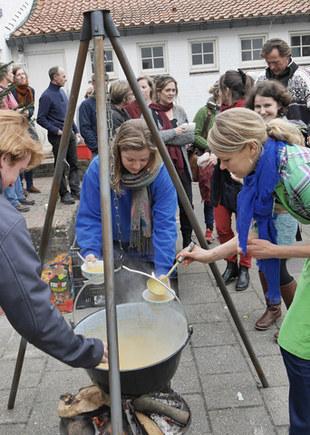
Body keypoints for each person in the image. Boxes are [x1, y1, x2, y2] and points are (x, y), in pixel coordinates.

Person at [178, 108, 310, 435]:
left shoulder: (296, 176)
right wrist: (209, 255)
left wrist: (278, 251)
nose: (221, 166)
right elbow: (250, 234)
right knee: (295, 343)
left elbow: (263, 244)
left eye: (225, 158)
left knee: (298, 347)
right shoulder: (264, 171)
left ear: (250, 147)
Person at [0, 109, 107, 368]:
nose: (15, 182)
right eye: (19, 170)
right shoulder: (5, 224)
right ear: (4, 159)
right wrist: (86, 351)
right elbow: (33, 313)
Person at [76, 119, 178, 300]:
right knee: (121, 303)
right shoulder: (100, 169)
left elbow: (165, 224)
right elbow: (90, 216)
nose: (137, 166)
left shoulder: (160, 172)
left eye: (143, 159)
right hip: (114, 246)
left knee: (157, 304)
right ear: (118, 151)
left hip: (150, 246)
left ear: (152, 155)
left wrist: (163, 270)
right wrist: (90, 251)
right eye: (130, 159)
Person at [246, 80, 304, 331]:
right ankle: (273, 308)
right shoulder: (252, 131)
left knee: (278, 263)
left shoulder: (290, 131)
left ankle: (297, 319)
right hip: (261, 210)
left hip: (282, 211)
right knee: (262, 259)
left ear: (279, 105)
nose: (262, 110)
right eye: (257, 106)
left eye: (267, 105)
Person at [211, 70, 254, 291]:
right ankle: (231, 264)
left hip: (240, 177)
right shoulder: (221, 110)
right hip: (221, 176)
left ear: (226, 90)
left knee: (244, 226)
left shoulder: (243, 111)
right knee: (222, 225)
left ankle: (245, 267)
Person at [150, 75, 194, 248]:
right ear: (159, 91)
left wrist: (167, 137)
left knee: (187, 206)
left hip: (181, 165)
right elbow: (152, 138)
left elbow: (189, 136)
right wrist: (175, 132)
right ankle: (164, 245)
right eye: (167, 90)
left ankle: (188, 242)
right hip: (160, 166)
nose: (171, 94)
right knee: (163, 207)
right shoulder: (149, 112)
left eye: (173, 90)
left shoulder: (179, 111)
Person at [37, 66, 81, 205]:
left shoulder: (62, 92)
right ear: (55, 77)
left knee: (74, 163)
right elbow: (41, 118)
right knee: (60, 165)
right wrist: (56, 131)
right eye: (63, 76)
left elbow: (68, 114)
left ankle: (75, 190)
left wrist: (76, 130)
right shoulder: (46, 96)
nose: (65, 78)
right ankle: (64, 193)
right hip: (58, 136)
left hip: (70, 134)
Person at [257, 38, 310, 131]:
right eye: (268, 63)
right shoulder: (261, 79)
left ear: (287, 56)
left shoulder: (303, 77)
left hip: (300, 139)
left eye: (275, 62)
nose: (272, 67)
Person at [0, 62, 33, 213]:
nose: (12, 75)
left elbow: (14, 108)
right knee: (10, 164)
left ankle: (19, 196)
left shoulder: (7, 90)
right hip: (6, 132)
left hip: (14, 131)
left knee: (17, 164)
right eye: (10, 73)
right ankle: (13, 201)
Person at [192, 82, 219, 243]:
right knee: (209, 196)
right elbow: (194, 134)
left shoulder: (227, 110)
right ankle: (209, 228)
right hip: (208, 159)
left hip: (225, 158)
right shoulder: (205, 112)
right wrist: (211, 147)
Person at [12, 65, 41, 194]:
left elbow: (32, 107)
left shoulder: (31, 90)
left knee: (30, 152)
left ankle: (30, 184)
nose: (22, 76)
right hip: (17, 125)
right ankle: (20, 185)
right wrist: (19, 113)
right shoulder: (11, 92)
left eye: (23, 74)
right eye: (18, 74)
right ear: (14, 78)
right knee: (19, 154)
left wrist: (28, 113)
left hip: (28, 122)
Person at [79, 74, 98, 156]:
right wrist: (95, 147)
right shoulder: (86, 104)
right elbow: (85, 128)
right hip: (97, 148)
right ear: (93, 83)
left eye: (106, 81)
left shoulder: (109, 101)